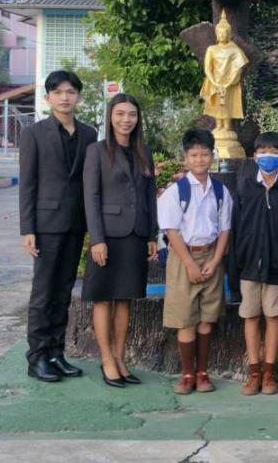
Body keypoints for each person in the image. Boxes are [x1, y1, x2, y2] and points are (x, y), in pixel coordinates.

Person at [20, 70, 98, 382]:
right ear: (48, 97)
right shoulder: (34, 133)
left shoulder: (89, 134)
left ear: (78, 96)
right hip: (46, 225)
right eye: (58, 92)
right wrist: (28, 229)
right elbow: (27, 184)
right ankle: (37, 357)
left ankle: (56, 353)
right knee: (43, 293)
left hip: (76, 224)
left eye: (70, 92)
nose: (65, 97)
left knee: (64, 291)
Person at [82, 93, 158, 388]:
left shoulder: (144, 151)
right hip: (108, 236)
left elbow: (149, 196)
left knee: (126, 298)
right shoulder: (97, 151)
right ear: (111, 117)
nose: (127, 120)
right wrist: (97, 239)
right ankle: (106, 359)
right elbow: (91, 197)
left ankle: (120, 357)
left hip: (136, 235)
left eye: (132, 114)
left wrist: (151, 234)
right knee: (103, 298)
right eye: (120, 114)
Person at [157, 129, 233, 395]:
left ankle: (203, 372)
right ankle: (187, 374)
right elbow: (171, 231)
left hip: (211, 256)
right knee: (186, 319)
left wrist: (216, 259)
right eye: (194, 155)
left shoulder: (221, 191)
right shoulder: (175, 192)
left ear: (212, 156)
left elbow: (225, 229)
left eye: (204, 154)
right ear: (185, 158)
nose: (199, 160)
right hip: (183, 258)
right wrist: (189, 263)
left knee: (207, 318)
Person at [228, 132, 278, 396]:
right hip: (248, 265)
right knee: (250, 316)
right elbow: (235, 228)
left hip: (277, 266)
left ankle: (269, 372)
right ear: (255, 155)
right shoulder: (245, 187)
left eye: (274, 152)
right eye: (262, 151)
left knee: (273, 316)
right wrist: (236, 265)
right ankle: (253, 371)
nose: (267, 156)